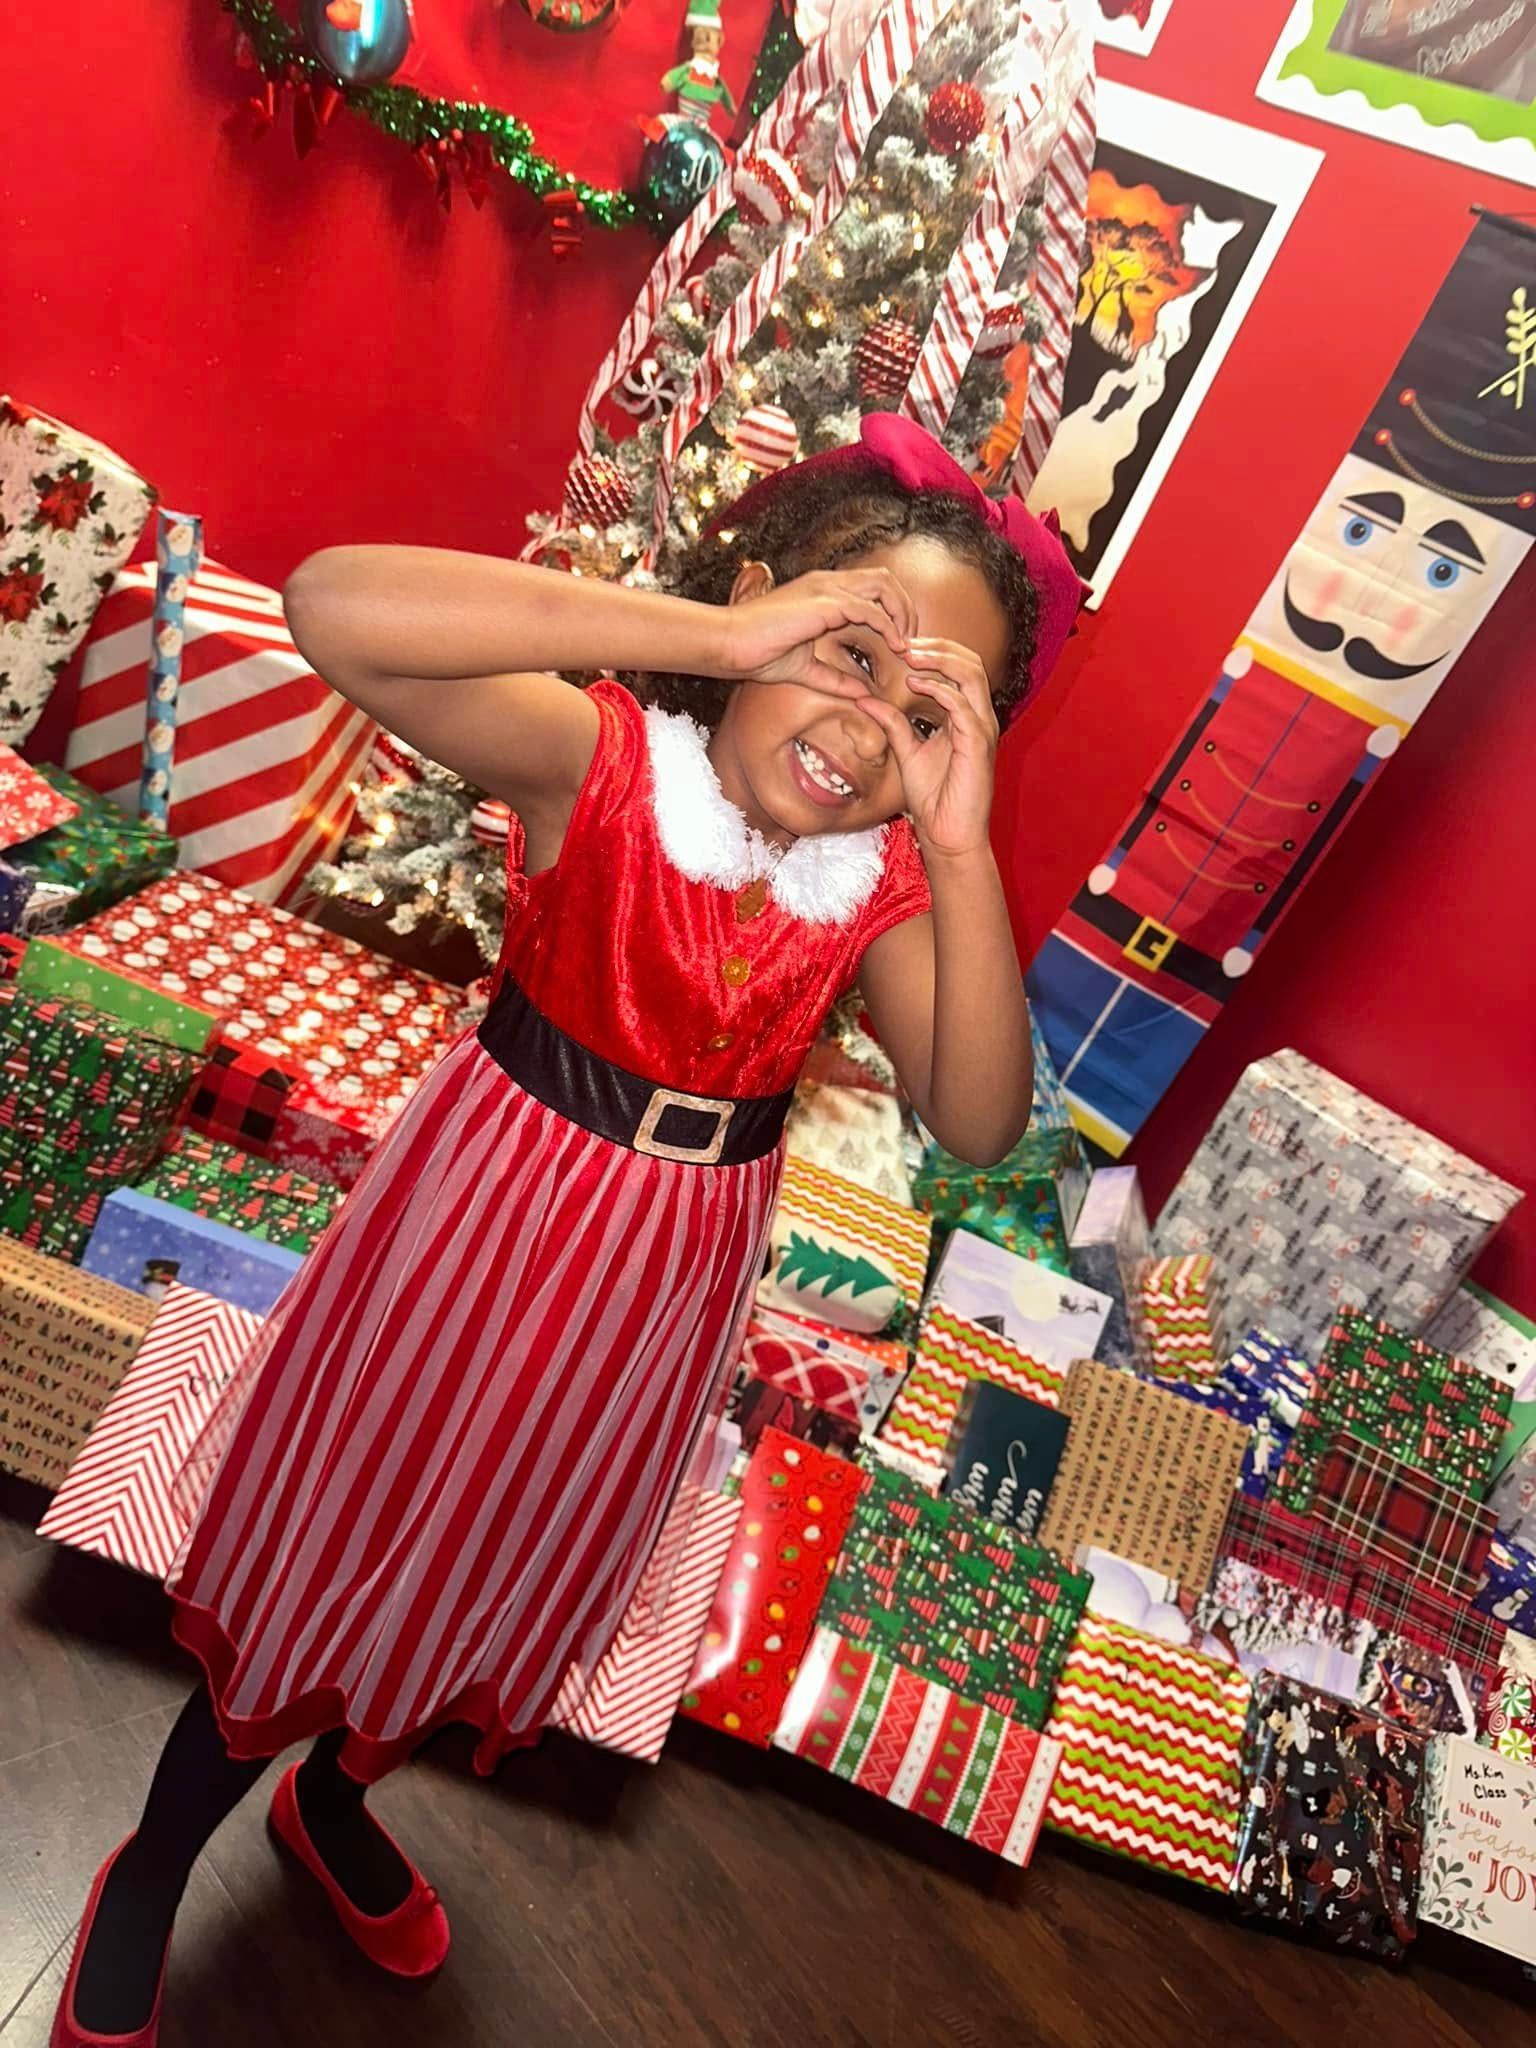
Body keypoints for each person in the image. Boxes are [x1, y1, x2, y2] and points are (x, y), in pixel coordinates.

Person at [49, 412, 1081, 2047]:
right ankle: (160, 1863)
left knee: (500, 1560)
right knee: (341, 1541)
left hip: (664, 1290)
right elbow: (334, 606)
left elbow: (976, 1119)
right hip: (473, 1229)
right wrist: (713, 635)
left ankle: (335, 1797)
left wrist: (961, 846)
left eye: (924, 705)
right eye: (845, 645)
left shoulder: (877, 885)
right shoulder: (601, 763)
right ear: (758, 602)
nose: (863, 723)